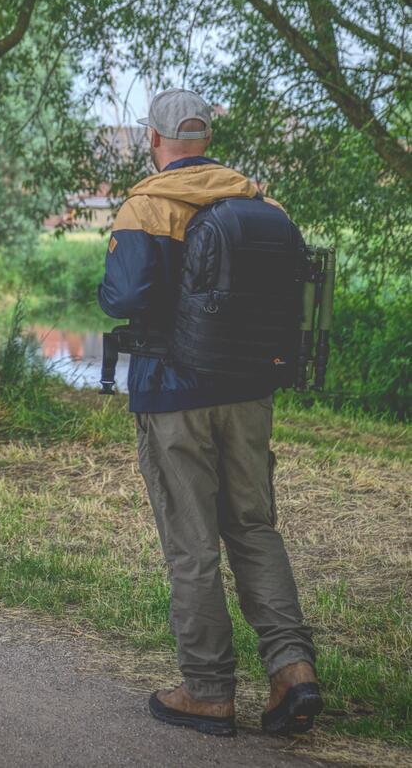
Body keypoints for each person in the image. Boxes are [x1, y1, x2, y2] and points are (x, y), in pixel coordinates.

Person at [97, 88, 322, 738]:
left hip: (174, 394)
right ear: (207, 138)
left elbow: (122, 297)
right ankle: (293, 671)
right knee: (253, 526)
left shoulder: (147, 205)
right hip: (250, 392)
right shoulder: (260, 202)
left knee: (192, 544)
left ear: (155, 139)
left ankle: (207, 691)